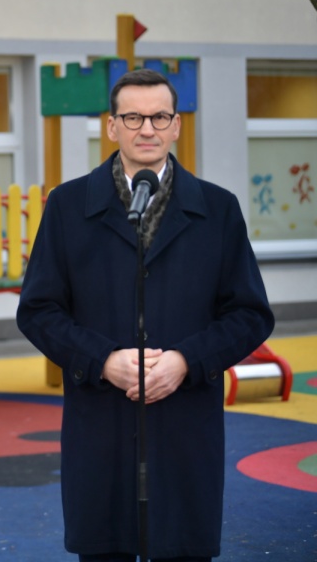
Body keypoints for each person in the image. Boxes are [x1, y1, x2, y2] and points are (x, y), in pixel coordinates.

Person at [16, 69, 274, 561]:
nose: (147, 129)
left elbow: (250, 313)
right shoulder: (69, 206)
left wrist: (186, 361)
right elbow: (39, 310)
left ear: (177, 125)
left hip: (185, 421)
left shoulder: (218, 209)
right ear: (112, 127)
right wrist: (102, 360)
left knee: (182, 546)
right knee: (105, 545)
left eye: (159, 116)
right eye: (133, 116)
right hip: (101, 422)